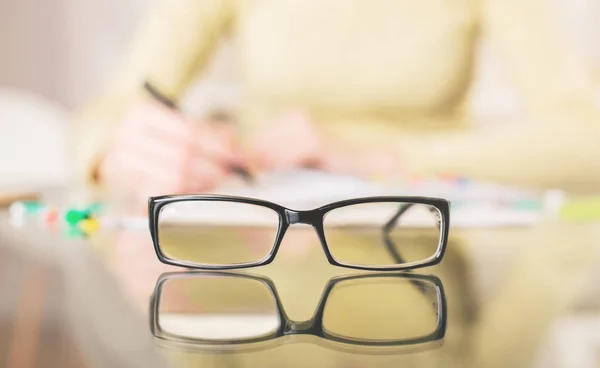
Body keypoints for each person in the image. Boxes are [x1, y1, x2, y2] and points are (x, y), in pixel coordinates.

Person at [72, 0, 600, 205]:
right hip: (258, 228)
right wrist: (116, 149)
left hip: (434, 241)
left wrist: (387, 156)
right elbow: (105, 113)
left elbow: (587, 137)